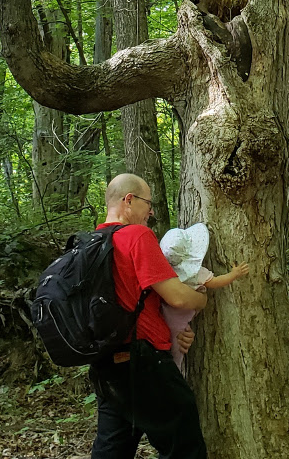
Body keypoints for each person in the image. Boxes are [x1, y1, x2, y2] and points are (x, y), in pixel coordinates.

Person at [86, 173, 209, 459]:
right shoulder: (136, 235)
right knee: (185, 446)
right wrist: (201, 299)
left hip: (106, 362)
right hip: (144, 363)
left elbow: (134, 301)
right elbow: (176, 295)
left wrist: (174, 330)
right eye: (147, 203)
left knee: (112, 449)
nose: (151, 211)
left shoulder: (93, 242)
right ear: (128, 201)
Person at [159, 223, 248, 372]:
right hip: (181, 318)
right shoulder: (197, 273)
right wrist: (234, 274)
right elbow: (215, 282)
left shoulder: (167, 274)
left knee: (174, 346)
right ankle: (176, 372)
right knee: (177, 350)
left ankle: (174, 371)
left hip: (166, 315)